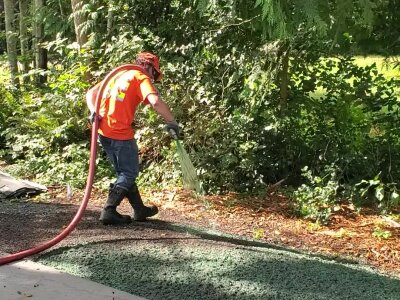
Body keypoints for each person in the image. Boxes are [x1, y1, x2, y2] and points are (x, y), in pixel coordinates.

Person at [86, 52, 179, 225]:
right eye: (155, 73)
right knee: (129, 173)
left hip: (104, 132)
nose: (153, 78)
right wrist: (172, 122)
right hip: (120, 133)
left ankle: (139, 209)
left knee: (124, 173)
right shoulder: (139, 77)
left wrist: (94, 111)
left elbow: (91, 93)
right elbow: (155, 101)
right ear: (148, 67)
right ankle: (109, 210)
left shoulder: (119, 75)